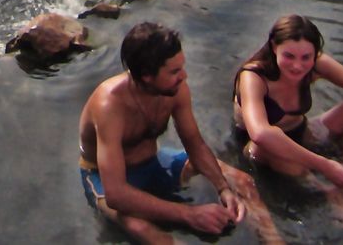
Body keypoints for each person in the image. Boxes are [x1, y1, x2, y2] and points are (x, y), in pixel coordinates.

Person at [80, 22, 248, 244]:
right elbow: (116, 195)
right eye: (175, 71)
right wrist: (190, 214)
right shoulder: (109, 106)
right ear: (147, 76)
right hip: (104, 179)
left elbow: (194, 144)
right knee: (143, 229)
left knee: (241, 180)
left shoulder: (174, 89)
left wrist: (223, 189)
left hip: (155, 161)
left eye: (182, 67)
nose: (184, 76)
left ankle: (273, 240)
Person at [234, 16, 343, 194]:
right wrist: (325, 166)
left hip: (302, 133)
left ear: (315, 53)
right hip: (260, 148)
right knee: (269, 139)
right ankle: (329, 193)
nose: (297, 66)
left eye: (306, 57)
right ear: (274, 47)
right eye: (289, 56)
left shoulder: (317, 64)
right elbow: (260, 134)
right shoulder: (254, 76)